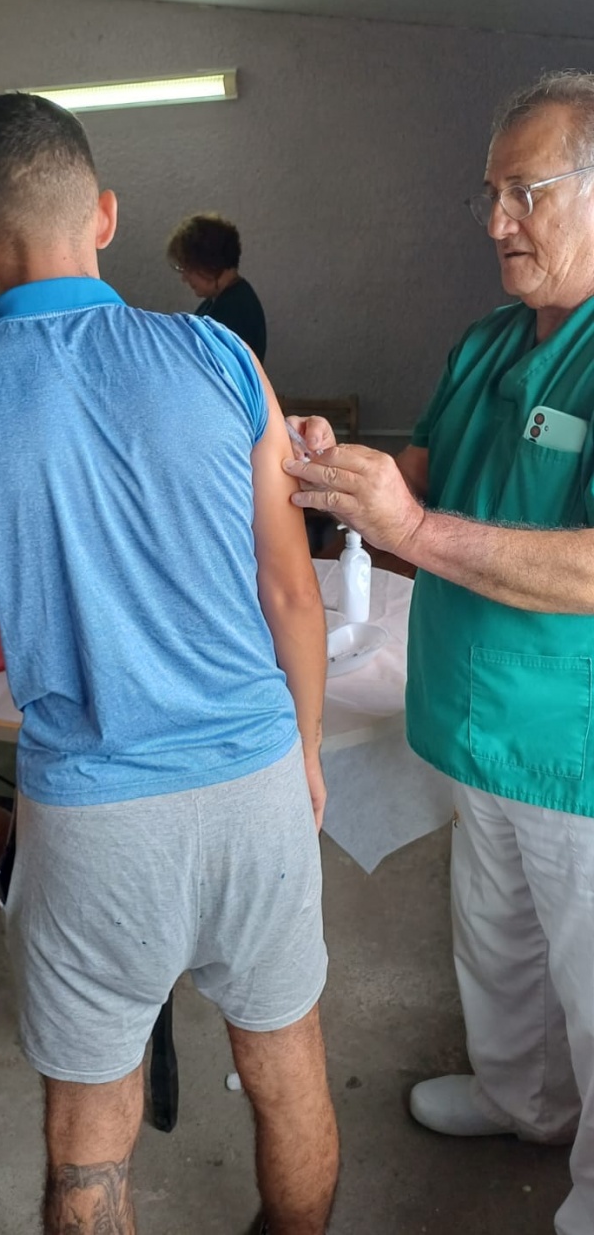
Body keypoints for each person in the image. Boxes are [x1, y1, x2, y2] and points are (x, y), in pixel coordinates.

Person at [0, 93, 338, 1235]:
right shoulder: (220, 355)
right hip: (255, 783)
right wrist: (306, 755)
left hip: (91, 821)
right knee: (289, 1069)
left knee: (88, 1134)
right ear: (107, 216)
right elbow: (292, 594)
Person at [284, 71, 594, 1235]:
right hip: (475, 723)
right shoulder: (486, 344)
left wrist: (408, 529)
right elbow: (421, 476)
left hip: (575, 746)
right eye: (490, 195)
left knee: (591, 978)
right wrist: (337, 468)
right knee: (496, 943)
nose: (497, 221)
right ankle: (524, 1101)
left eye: (526, 192)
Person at [167, 212, 267, 363]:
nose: (184, 278)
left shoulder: (234, 310)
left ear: (209, 264)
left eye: (188, 268)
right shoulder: (223, 299)